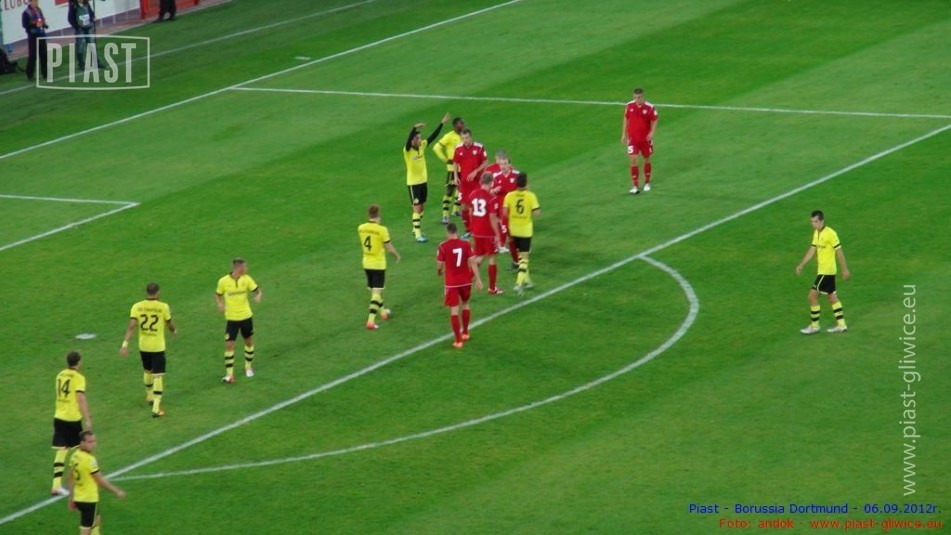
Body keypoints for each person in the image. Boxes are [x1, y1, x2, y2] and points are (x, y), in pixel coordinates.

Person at [120, 282, 177, 418]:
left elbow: (131, 327)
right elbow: (169, 324)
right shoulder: (163, 307)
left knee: (147, 371)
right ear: (158, 292)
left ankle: (149, 396)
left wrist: (125, 345)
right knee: (158, 375)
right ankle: (156, 408)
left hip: (143, 346)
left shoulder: (137, 307)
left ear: (146, 292)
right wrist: (174, 331)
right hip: (157, 347)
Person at [796, 210, 851, 334]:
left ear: (822, 221)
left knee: (812, 296)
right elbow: (812, 250)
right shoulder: (816, 233)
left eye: (815, 221)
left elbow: (839, 252)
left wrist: (844, 269)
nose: (813, 224)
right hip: (824, 271)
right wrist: (802, 264)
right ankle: (842, 325)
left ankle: (814, 326)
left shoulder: (831, 233)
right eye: (812, 222)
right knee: (832, 297)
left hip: (826, 271)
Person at [67, 431, 126, 535]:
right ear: (81, 443)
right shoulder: (90, 460)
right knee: (86, 531)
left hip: (79, 498)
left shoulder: (75, 456)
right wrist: (116, 491)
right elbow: (100, 481)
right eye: (89, 442)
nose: (93, 444)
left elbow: (69, 478)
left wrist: (71, 497)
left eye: (94, 441)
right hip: (89, 500)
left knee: (97, 519)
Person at [404, 113, 450, 243]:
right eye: (418, 138)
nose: (420, 140)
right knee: (417, 208)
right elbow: (408, 141)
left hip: (423, 182)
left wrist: (442, 123)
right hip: (413, 183)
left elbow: (433, 137)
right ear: (413, 140)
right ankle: (418, 234)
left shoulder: (422, 146)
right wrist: (414, 128)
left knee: (422, 208)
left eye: (420, 138)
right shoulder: (407, 151)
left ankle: (415, 227)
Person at [51, 351, 92, 496]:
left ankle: (56, 485)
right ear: (79, 362)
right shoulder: (79, 378)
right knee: (81, 450)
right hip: (72, 418)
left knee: (62, 450)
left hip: (58, 416)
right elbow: (80, 398)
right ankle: (82, 480)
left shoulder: (60, 375)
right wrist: (87, 418)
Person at [215, 258, 262, 382]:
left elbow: (258, 291)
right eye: (244, 267)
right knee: (229, 345)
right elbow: (217, 294)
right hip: (232, 319)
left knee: (248, 342)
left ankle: (248, 367)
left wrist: (258, 296)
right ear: (238, 268)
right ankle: (229, 374)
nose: (246, 269)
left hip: (246, 316)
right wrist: (219, 304)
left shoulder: (247, 279)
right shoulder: (223, 281)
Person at [436, 223, 483, 348]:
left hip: (452, 283)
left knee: (454, 310)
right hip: (466, 280)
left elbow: (439, 264)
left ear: (448, 232)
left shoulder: (443, 246)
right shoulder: (466, 243)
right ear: (456, 231)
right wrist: (478, 279)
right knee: (466, 304)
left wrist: (439, 271)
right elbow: (473, 262)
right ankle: (465, 333)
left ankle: (458, 340)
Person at [358, 204, 401, 330]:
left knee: (375, 291)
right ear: (378, 215)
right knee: (377, 292)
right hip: (378, 264)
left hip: (366, 263)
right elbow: (389, 248)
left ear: (368, 215)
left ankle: (383, 312)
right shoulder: (382, 230)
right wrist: (397, 256)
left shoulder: (361, 228)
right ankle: (370, 321)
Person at [503, 172, 541, 294]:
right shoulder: (531, 196)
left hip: (513, 229)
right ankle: (518, 283)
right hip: (525, 230)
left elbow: (504, 213)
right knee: (524, 258)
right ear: (526, 183)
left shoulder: (509, 195)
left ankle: (527, 281)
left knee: (521, 256)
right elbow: (537, 213)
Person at [469, 173, 504, 295]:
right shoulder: (491, 198)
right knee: (492, 258)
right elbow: (492, 218)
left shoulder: (472, 195)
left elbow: (470, 213)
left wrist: (472, 228)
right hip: (488, 233)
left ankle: (466, 281)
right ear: (491, 182)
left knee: (479, 256)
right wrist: (497, 235)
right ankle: (492, 288)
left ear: (481, 182)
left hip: (476, 232)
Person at [621, 87, 658, 195]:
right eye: (635, 97)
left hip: (645, 139)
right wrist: (624, 134)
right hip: (633, 139)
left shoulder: (650, 107)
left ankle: (647, 182)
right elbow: (626, 118)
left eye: (639, 97)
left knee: (646, 158)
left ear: (643, 96)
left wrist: (652, 132)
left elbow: (655, 119)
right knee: (633, 159)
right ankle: (635, 185)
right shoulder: (629, 106)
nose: (637, 99)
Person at [452, 129, 489, 238]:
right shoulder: (458, 148)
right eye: (463, 138)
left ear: (471, 137)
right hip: (464, 183)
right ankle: (468, 230)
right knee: (463, 207)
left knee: (474, 207)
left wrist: (476, 171)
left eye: (467, 137)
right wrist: (455, 176)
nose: (465, 140)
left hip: (477, 182)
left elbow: (486, 162)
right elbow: (455, 162)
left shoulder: (479, 147)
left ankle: (478, 229)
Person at [488, 151, 521, 267]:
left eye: (505, 164)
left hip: (516, 211)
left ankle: (522, 256)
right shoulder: (496, 177)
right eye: (501, 164)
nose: (503, 166)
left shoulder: (517, 175)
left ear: (509, 164)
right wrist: (493, 190)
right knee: (510, 237)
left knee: (518, 236)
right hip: (504, 212)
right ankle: (516, 262)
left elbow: (525, 190)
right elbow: (489, 191)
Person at [432, 117, 466, 223]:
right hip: (452, 169)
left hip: (463, 168)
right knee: (450, 191)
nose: (463, 125)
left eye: (463, 123)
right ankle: (445, 215)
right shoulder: (449, 136)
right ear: (455, 125)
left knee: (461, 190)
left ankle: (456, 210)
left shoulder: (464, 136)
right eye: (461, 123)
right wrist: (446, 159)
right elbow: (436, 148)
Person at [21, 0, 49, 81]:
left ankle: (45, 73)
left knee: (44, 54)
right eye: (34, 1)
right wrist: (34, 24)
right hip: (33, 36)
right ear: (30, 2)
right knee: (33, 55)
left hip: (41, 34)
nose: (36, 3)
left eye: (37, 1)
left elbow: (41, 20)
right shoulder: (26, 12)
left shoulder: (39, 10)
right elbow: (25, 25)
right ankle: (29, 74)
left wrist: (44, 25)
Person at [67, 0, 97, 69]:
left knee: (91, 43)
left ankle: (95, 61)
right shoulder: (74, 6)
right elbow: (70, 18)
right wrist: (77, 27)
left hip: (88, 27)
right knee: (80, 46)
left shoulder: (86, 3)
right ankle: (81, 63)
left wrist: (92, 18)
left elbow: (90, 12)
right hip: (80, 29)